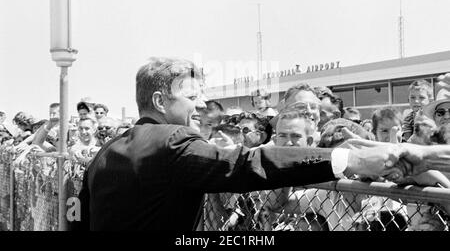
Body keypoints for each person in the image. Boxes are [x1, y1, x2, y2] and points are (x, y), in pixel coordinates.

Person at [76, 57, 410, 231]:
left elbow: (77, 221)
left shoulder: (106, 153)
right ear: (161, 101)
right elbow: (245, 165)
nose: (202, 104)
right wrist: (345, 160)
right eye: (192, 96)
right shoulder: (172, 141)